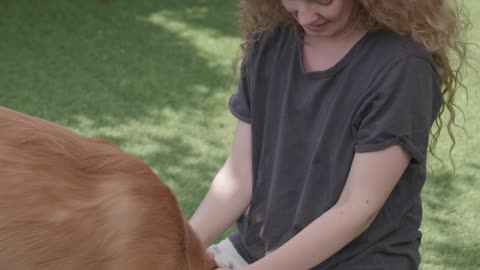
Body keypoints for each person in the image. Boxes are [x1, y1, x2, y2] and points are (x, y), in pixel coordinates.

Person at [189, 0, 470, 269]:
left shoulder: (403, 67)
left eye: (322, 0)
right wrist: (176, 247)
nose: (306, 15)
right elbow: (238, 177)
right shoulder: (270, 39)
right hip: (257, 251)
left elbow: (356, 209)